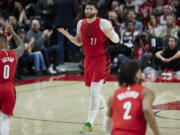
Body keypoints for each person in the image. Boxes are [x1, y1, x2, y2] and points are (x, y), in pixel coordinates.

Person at [57, 1, 119, 134]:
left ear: (96, 11)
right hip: (88, 61)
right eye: (87, 8)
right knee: (93, 93)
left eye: (91, 8)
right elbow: (79, 42)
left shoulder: (104, 23)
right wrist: (68, 36)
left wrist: (112, 34)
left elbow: (117, 40)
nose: (88, 10)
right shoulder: (81, 23)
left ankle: (89, 124)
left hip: (102, 60)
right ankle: (111, 116)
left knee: (93, 94)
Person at [103, 61, 160, 135]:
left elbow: (106, 126)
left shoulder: (114, 94)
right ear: (136, 75)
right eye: (140, 71)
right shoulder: (146, 92)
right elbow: (146, 109)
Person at [0, 25, 25, 135]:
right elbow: (22, 46)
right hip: (9, 89)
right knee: (5, 121)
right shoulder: (14, 54)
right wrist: (13, 33)